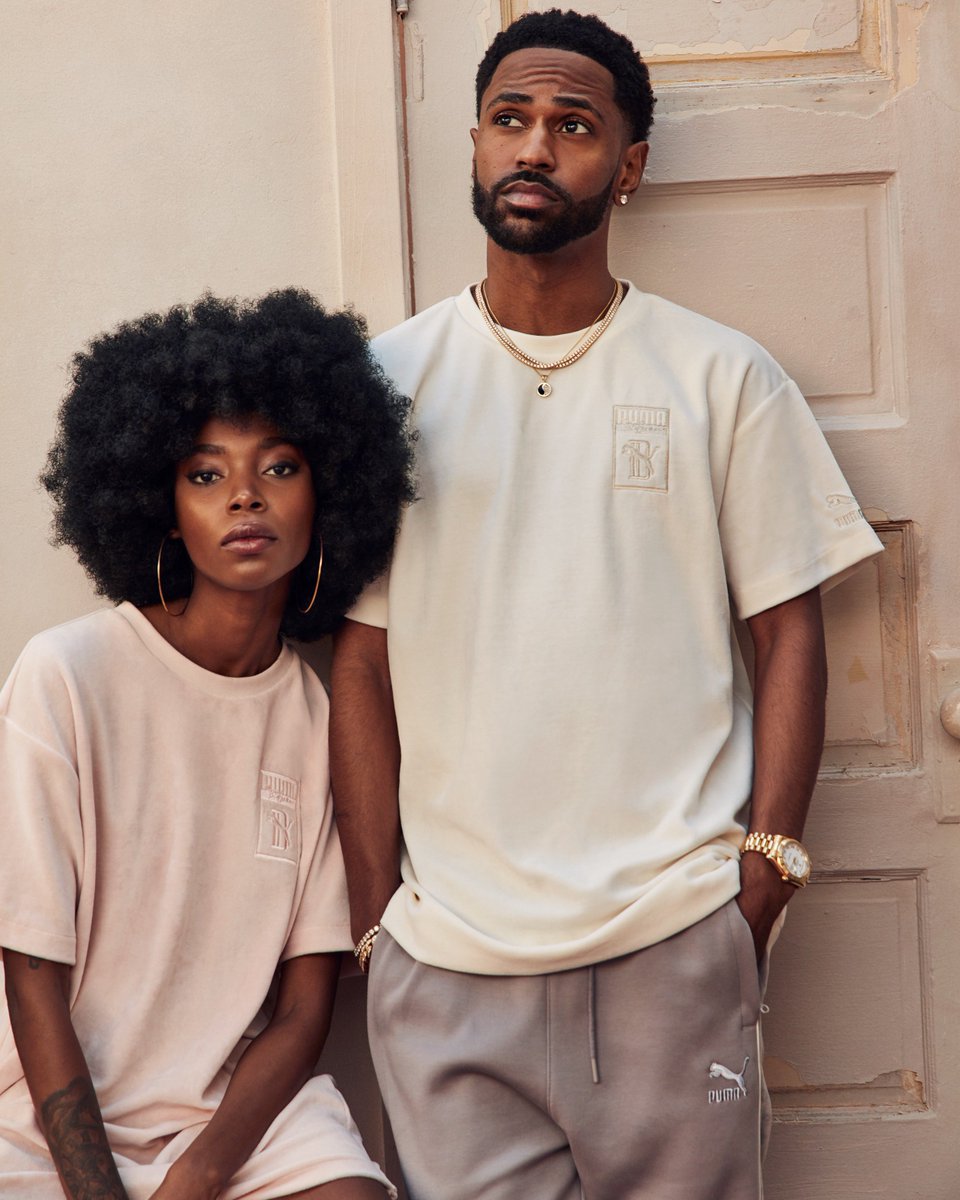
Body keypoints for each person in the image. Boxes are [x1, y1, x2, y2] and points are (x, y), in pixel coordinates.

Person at [330, 9, 885, 1200]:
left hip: (671, 943)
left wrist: (762, 883)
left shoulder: (721, 377)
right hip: (447, 963)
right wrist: (377, 924)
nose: (534, 146)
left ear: (627, 168)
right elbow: (360, 665)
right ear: (474, 144)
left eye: (573, 126)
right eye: (509, 119)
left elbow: (788, 631)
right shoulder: (381, 388)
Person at [0, 290, 415, 1200]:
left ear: (329, 494)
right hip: (40, 1121)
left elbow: (303, 1010)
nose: (244, 496)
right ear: (162, 503)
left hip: (235, 1118)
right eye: (205, 474)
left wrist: (196, 1177)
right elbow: (30, 969)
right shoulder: (66, 676)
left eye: (279, 466)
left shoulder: (317, 719)